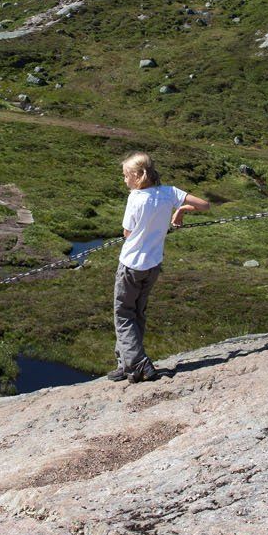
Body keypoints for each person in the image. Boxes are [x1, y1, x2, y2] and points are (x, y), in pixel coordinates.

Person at [108, 152, 209, 383]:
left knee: (123, 315)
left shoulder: (135, 198)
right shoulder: (170, 192)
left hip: (131, 264)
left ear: (136, 175)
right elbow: (205, 205)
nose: (124, 180)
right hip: (153, 265)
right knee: (137, 313)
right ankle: (126, 364)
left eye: (125, 176)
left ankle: (139, 364)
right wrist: (181, 210)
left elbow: (127, 233)